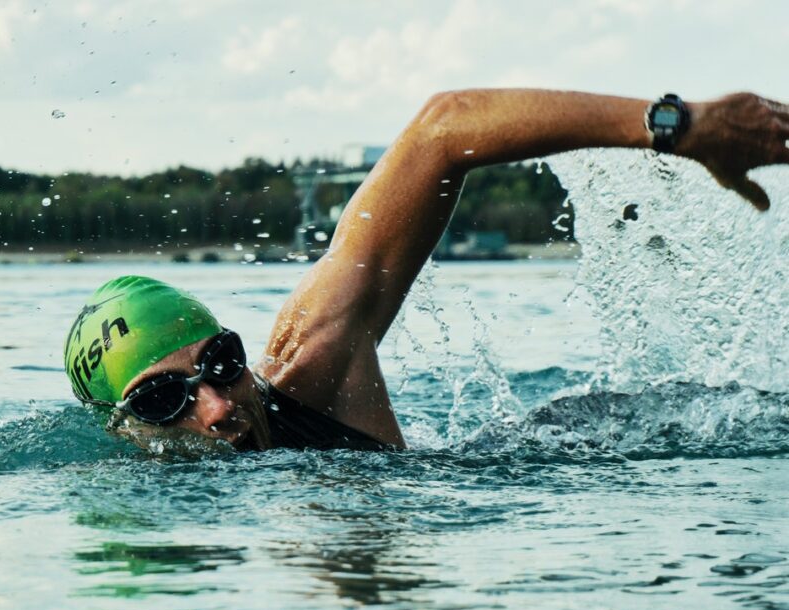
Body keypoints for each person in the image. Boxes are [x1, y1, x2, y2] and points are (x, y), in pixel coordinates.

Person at [64, 89, 789, 451]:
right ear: (122, 429)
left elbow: (441, 129)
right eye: (164, 401)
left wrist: (678, 127)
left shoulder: (314, 362)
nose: (217, 407)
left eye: (221, 363)